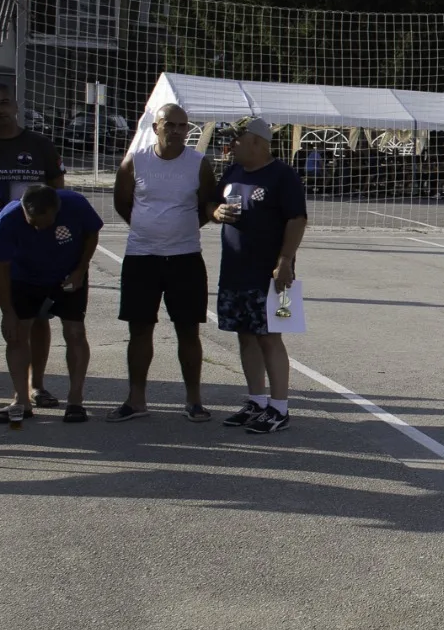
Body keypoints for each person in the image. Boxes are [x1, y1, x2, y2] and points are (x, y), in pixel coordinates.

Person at [108, 103, 219, 422]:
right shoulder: (135, 161)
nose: (176, 131)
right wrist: (148, 229)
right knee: (140, 330)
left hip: (185, 259)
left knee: (188, 331)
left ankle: (194, 401)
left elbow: (206, 205)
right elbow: (122, 202)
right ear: (155, 127)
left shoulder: (198, 164)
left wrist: (180, 230)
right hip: (141, 258)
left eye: (182, 126)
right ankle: (136, 400)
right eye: (169, 124)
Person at [0, 80, 67, 412]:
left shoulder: (40, 145)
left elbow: (58, 193)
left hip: (31, 248)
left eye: (3, 102)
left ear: (15, 105)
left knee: (37, 318)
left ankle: (36, 386)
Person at [208, 116, 308, 435]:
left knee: (270, 337)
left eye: (236, 139)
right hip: (235, 271)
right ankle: (256, 401)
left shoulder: (282, 175)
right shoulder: (233, 172)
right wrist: (216, 212)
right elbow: (212, 203)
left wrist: (285, 261)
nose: (231, 144)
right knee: (245, 335)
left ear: (255, 142)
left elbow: (297, 219)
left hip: (273, 274)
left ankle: (279, 408)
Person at [0, 185, 103, 427]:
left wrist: (81, 269)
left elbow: (92, 234)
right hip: (25, 278)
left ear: (56, 210)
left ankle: (75, 400)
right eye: (33, 223)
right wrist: (8, 313)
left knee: (75, 332)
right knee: (16, 334)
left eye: (45, 223)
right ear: (23, 210)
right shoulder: (7, 220)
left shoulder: (75, 204)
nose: (39, 228)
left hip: (67, 275)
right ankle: (22, 400)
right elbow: (0, 270)